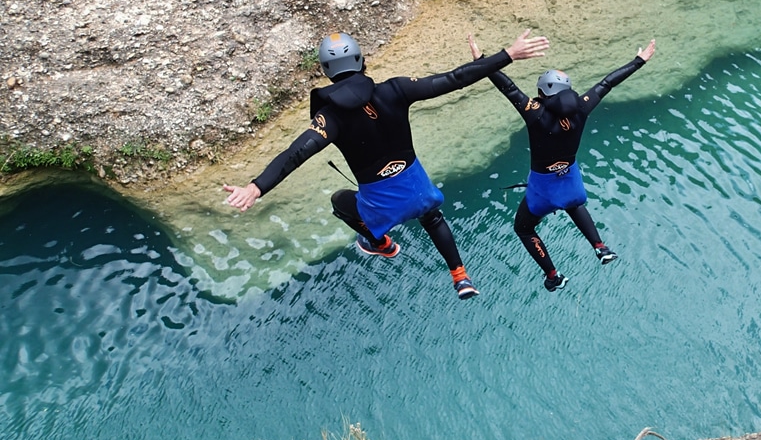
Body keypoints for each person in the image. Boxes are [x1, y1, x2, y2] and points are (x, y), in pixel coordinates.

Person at [223, 29, 549, 300]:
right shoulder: (396, 89)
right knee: (431, 216)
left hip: (381, 209)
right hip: (421, 192)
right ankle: (461, 277)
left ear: (325, 71)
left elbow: (295, 154)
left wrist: (256, 187)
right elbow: (453, 79)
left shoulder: (330, 118)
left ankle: (381, 244)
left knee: (340, 200)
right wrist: (508, 53)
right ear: (362, 61)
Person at [470, 37, 656, 291]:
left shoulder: (535, 112)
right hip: (571, 182)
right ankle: (600, 247)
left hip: (541, 192)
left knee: (524, 229)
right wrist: (639, 61)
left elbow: (509, 88)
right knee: (573, 203)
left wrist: (482, 62)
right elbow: (607, 83)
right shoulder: (582, 107)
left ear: (543, 94)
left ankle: (553, 275)